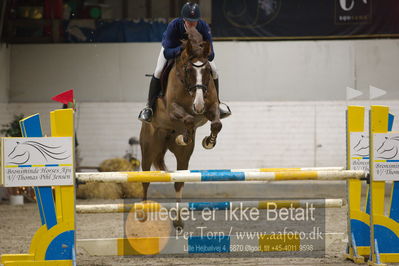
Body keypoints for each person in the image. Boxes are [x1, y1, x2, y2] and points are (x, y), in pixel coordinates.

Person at [138, 2, 231, 123]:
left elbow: (211, 55)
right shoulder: (174, 25)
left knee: (214, 70)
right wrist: (182, 49)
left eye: (194, 21)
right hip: (174, 49)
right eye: (189, 21)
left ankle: (217, 103)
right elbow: (167, 52)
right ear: (183, 19)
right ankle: (149, 107)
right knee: (159, 70)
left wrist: (199, 49)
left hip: (196, 53)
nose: (192, 24)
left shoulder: (203, 26)